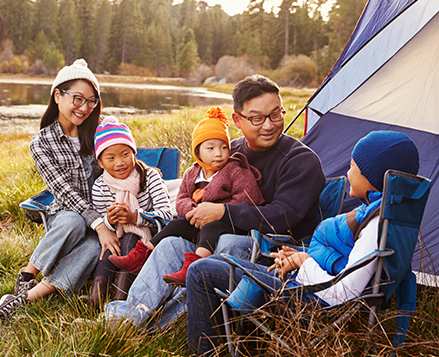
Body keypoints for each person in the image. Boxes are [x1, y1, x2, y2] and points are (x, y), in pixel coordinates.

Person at [100, 74, 325, 331]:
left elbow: (283, 216)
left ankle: (159, 327)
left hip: (273, 248)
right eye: (257, 118)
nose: (269, 125)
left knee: (225, 245)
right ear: (237, 120)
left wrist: (222, 212)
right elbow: (197, 187)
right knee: (173, 242)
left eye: (276, 114)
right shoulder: (227, 151)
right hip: (215, 234)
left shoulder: (300, 161)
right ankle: (127, 318)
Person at [185, 130, 421, 357]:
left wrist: (304, 262)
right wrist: (299, 255)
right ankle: (236, 351)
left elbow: (344, 293)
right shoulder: (389, 216)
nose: (348, 174)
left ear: (372, 178)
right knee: (217, 261)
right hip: (310, 287)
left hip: (310, 301)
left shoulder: (374, 226)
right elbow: (349, 266)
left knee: (200, 271)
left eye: (352, 167)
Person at [0, 59, 119, 327]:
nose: (84, 108)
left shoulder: (102, 129)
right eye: (78, 99)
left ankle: (27, 298)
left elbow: (123, 165)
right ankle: (28, 273)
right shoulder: (42, 142)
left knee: (97, 246)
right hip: (65, 214)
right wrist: (96, 222)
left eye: (91, 101)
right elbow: (64, 191)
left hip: (103, 215)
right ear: (58, 95)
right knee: (73, 220)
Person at [109, 106, 264, 287]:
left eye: (224, 147)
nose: (218, 153)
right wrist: (191, 209)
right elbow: (181, 198)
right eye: (211, 148)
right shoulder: (193, 173)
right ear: (198, 152)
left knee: (211, 228)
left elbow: (249, 198)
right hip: (198, 221)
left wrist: (218, 210)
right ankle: (140, 255)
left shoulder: (235, 170)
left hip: (228, 223)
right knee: (175, 225)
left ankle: (193, 267)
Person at [81, 117, 172, 310]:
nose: (120, 162)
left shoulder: (150, 177)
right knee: (110, 245)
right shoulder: (100, 186)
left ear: (133, 153)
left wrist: (135, 217)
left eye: (125, 154)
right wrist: (110, 220)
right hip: (116, 235)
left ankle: (120, 298)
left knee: (131, 237)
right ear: (101, 163)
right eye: (111, 158)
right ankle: (96, 297)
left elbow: (166, 217)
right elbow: (101, 225)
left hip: (150, 238)